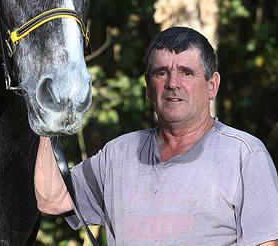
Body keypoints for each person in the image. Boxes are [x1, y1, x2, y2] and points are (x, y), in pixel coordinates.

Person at [34, 26, 278, 245]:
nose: (172, 83)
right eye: (161, 72)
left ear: (212, 85)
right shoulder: (118, 155)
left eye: (186, 72)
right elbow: (53, 199)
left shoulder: (244, 156)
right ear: (148, 87)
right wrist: (46, 120)